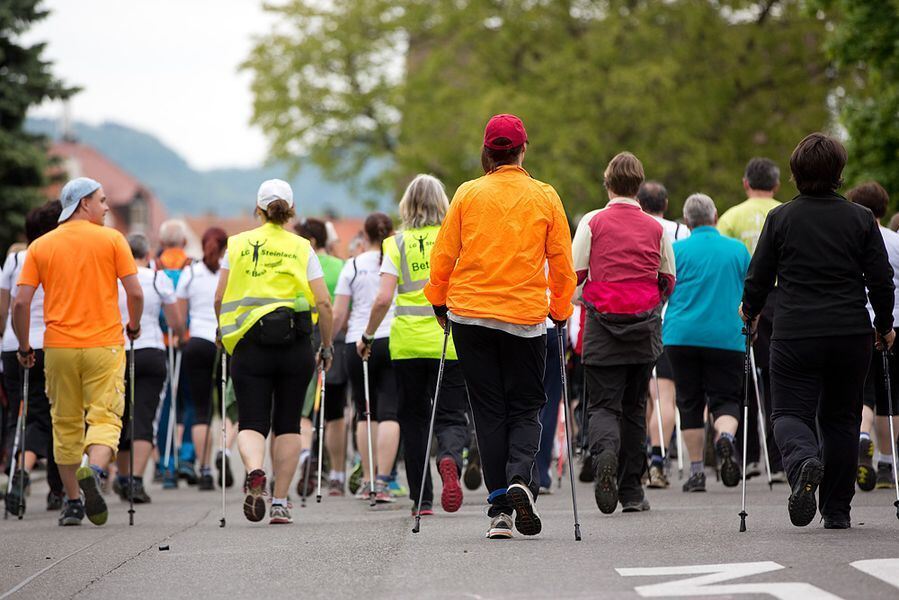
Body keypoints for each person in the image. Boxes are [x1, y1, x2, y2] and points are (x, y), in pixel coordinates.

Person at [425, 114, 576, 539]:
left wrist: (438, 300)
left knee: (488, 411)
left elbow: (444, 256)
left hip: (471, 316)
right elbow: (562, 264)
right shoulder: (544, 196)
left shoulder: (467, 194)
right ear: (522, 150)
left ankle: (499, 510)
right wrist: (561, 309)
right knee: (526, 407)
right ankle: (519, 481)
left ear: (487, 152)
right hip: (524, 319)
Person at [741, 133, 895, 529]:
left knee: (788, 412)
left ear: (794, 173)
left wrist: (751, 312)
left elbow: (759, 277)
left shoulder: (781, 218)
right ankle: (838, 510)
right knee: (842, 419)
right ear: (839, 173)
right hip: (849, 331)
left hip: (795, 331)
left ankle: (804, 460)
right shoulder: (861, 219)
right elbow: (881, 278)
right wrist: (883, 325)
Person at [14, 177, 143, 527]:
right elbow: (135, 293)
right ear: (83, 203)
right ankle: (95, 470)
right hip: (104, 344)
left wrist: (24, 345)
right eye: (101, 201)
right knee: (105, 418)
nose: (105, 207)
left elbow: (21, 302)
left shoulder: (41, 246)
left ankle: (72, 502)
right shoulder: (113, 240)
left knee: (65, 423)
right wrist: (133, 325)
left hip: (58, 347)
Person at [215, 179, 334, 525]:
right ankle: (280, 503)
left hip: (249, 345)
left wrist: (223, 332)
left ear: (259, 208)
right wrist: (325, 345)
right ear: (291, 209)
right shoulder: (301, 247)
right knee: (289, 424)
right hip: (295, 344)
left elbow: (220, 297)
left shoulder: (236, 245)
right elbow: (324, 303)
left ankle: (255, 471)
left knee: (251, 421)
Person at [358, 174, 469, 516]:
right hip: (449, 341)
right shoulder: (456, 238)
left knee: (414, 420)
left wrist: (367, 336)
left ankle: (422, 500)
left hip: (406, 344)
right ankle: (449, 457)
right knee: (451, 415)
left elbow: (382, 298)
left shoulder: (395, 244)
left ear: (407, 206)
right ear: (442, 204)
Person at [572, 151, 675, 515]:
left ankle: (605, 457)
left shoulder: (592, 222)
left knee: (602, 404)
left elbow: (577, 275)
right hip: (644, 327)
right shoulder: (656, 228)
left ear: (608, 183)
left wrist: (586, 299)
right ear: (639, 186)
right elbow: (668, 278)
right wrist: (649, 302)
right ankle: (632, 490)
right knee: (634, 408)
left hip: (602, 326)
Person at [661, 194, 751, 492]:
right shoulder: (738, 250)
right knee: (726, 398)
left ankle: (697, 471)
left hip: (681, 336)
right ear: (714, 217)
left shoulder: (676, 250)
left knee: (689, 401)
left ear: (687, 222)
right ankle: (725, 437)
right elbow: (752, 292)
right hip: (727, 335)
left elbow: (662, 290)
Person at [719, 158, 785, 482]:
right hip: (782, 300)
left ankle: (749, 457)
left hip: (745, 300)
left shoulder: (731, 217)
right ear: (776, 184)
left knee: (746, 378)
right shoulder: (785, 212)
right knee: (777, 378)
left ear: (746, 183)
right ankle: (780, 458)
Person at [1, 201, 64, 515]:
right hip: (50, 343)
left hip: (14, 344)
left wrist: (13, 340)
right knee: (53, 417)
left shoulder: (14, 259)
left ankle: (17, 471)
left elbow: (6, 309)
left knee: (18, 412)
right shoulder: (57, 255)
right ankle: (54, 487)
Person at [113, 233, 184, 504]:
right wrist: (178, 334)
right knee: (145, 417)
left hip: (118, 350)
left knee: (118, 417)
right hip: (151, 349)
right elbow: (175, 319)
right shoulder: (158, 278)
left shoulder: (114, 278)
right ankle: (136, 480)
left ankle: (121, 477)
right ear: (147, 255)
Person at [333, 212, 399, 503]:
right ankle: (384, 482)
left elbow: (338, 313)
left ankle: (368, 480)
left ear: (364, 236)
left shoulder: (353, 265)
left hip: (356, 341)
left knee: (364, 411)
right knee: (390, 412)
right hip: (393, 338)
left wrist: (325, 343)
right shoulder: (396, 259)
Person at [847, 181, 899, 491]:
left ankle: (862, 435)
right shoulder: (894, 241)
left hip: (858, 320)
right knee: (890, 396)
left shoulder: (851, 239)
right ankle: (886, 463)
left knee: (862, 389)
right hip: (893, 322)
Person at [636, 181, 688, 488]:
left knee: (645, 397)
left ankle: (643, 456)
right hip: (670, 319)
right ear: (666, 204)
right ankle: (658, 458)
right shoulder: (681, 232)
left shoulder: (636, 225)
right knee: (665, 396)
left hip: (639, 317)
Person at [294, 218, 348, 496]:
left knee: (304, 409)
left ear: (311, 242)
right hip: (335, 336)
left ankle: (307, 459)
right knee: (336, 411)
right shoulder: (341, 266)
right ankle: (338, 473)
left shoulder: (300, 262)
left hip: (304, 336)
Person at [174, 227, 227, 491]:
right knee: (227, 405)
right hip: (225, 342)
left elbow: (181, 317)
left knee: (201, 408)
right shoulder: (230, 273)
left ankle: (204, 468)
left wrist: (180, 336)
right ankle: (224, 452)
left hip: (197, 343)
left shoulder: (190, 273)